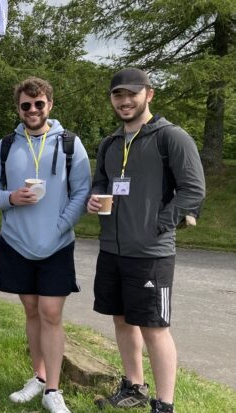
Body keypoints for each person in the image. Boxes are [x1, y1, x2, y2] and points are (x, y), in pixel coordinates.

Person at [87, 68, 206, 413]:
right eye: (118, 95)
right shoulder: (110, 143)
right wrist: (96, 197)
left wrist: (159, 225)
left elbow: (193, 189)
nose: (125, 101)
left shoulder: (171, 137)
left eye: (132, 94)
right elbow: (101, 182)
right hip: (112, 249)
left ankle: (164, 405)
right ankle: (134, 386)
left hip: (151, 253)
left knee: (154, 327)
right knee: (121, 319)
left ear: (149, 95)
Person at [0, 77, 91, 413]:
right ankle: (39, 377)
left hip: (57, 243)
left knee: (51, 313)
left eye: (38, 103)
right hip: (17, 243)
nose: (32, 110)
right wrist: (11, 198)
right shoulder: (5, 145)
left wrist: (59, 227)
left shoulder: (70, 143)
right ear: (18, 108)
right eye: (26, 105)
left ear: (50, 105)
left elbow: (81, 192)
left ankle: (53, 390)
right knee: (31, 311)